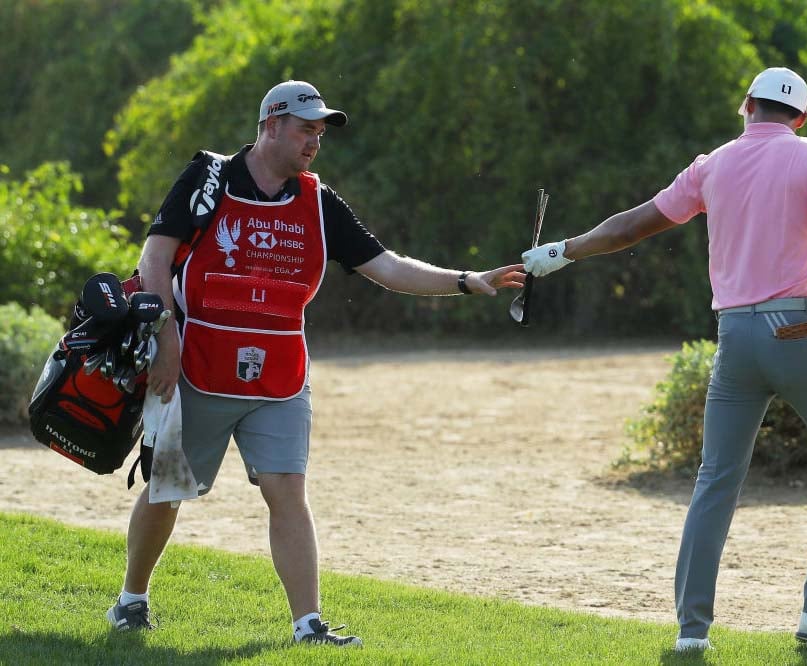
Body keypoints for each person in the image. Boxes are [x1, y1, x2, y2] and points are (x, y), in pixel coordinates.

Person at [106, 80, 525, 647]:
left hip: (281, 379)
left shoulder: (319, 200)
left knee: (287, 492)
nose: (314, 142)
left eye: (320, 133)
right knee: (168, 489)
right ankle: (131, 601)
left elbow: (387, 266)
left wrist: (466, 281)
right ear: (271, 125)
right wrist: (166, 337)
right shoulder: (208, 178)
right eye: (306, 129)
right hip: (196, 366)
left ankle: (308, 626)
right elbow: (155, 256)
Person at [522, 67, 807, 652]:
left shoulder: (710, 165)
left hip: (734, 339)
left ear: (746, 105)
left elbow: (631, 227)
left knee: (716, 478)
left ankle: (691, 632)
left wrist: (561, 251)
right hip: (797, 331)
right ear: (801, 118)